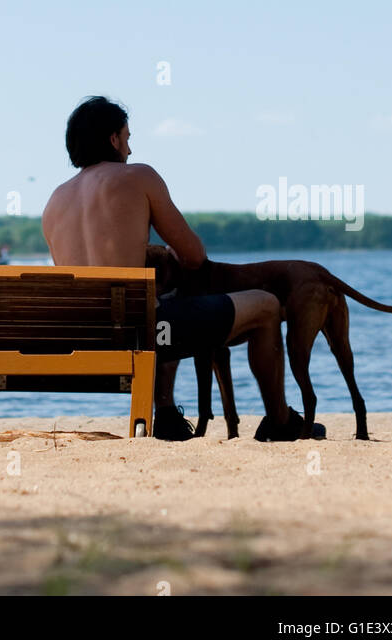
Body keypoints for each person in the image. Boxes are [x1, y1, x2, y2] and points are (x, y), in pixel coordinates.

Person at [41, 95, 323, 441]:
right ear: (113, 139)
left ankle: (167, 415)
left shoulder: (54, 202)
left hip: (89, 338)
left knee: (158, 303)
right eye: (127, 139)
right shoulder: (139, 177)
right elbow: (194, 257)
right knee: (264, 305)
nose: (129, 151)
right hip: (146, 334)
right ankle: (279, 421)